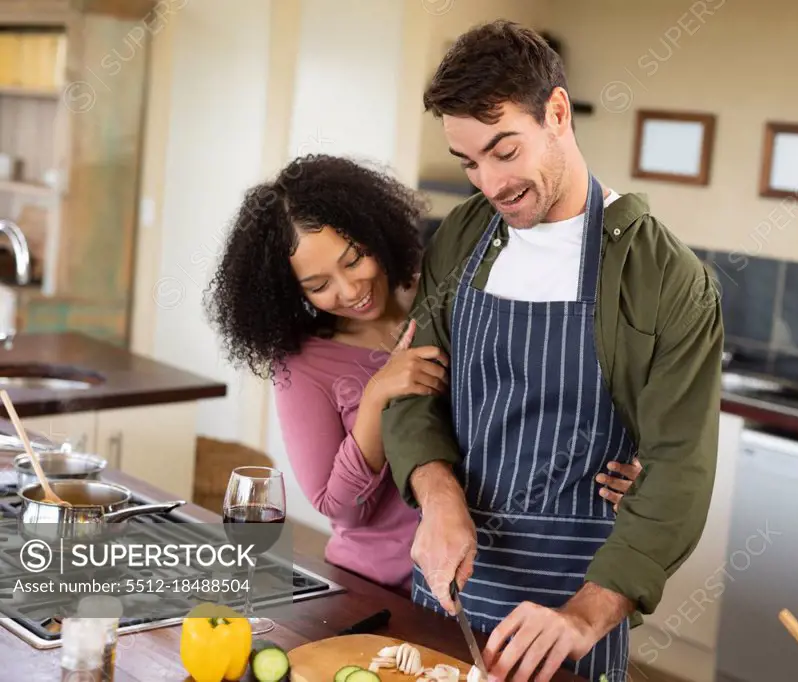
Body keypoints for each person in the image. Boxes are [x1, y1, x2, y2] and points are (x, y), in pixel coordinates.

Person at [380, 20, 723, 682]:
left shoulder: (666, 279)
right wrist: (437, 489)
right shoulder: (463, 236)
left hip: (572, 611)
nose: (490, 184)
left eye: (504, 151)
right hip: (446, 593)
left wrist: (583, 618)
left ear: (557, 113)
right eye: (470, 162)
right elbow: (412, 387)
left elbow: (680, 472)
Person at [204, 154, 642, 594]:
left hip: (492, 581)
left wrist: (628, 463)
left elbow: (538, 396)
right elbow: (342, 511)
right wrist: (377, 394)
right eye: (319, 286)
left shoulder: (445, 293)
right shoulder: (303, 365)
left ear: (373, 231)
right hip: (379, 588)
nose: (350, 289)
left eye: (354, 259)